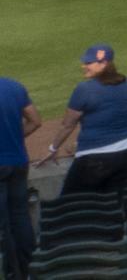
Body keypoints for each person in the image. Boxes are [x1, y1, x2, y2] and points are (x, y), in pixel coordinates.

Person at [40, 45, 127, 196]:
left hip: (95, 158)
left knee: (71, 203)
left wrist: (53, 148)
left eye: (88, 63)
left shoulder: (85, 89)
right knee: (113, 204)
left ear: (104, 63)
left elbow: (68, 125)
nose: (84, 66)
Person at [0, 72, 35, 279]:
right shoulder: (14, 86)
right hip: (18, 162)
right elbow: (35, 121)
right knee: (21, 218)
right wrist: (14, 136)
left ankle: (14, 274)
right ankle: (30, 268)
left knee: (3, 224)